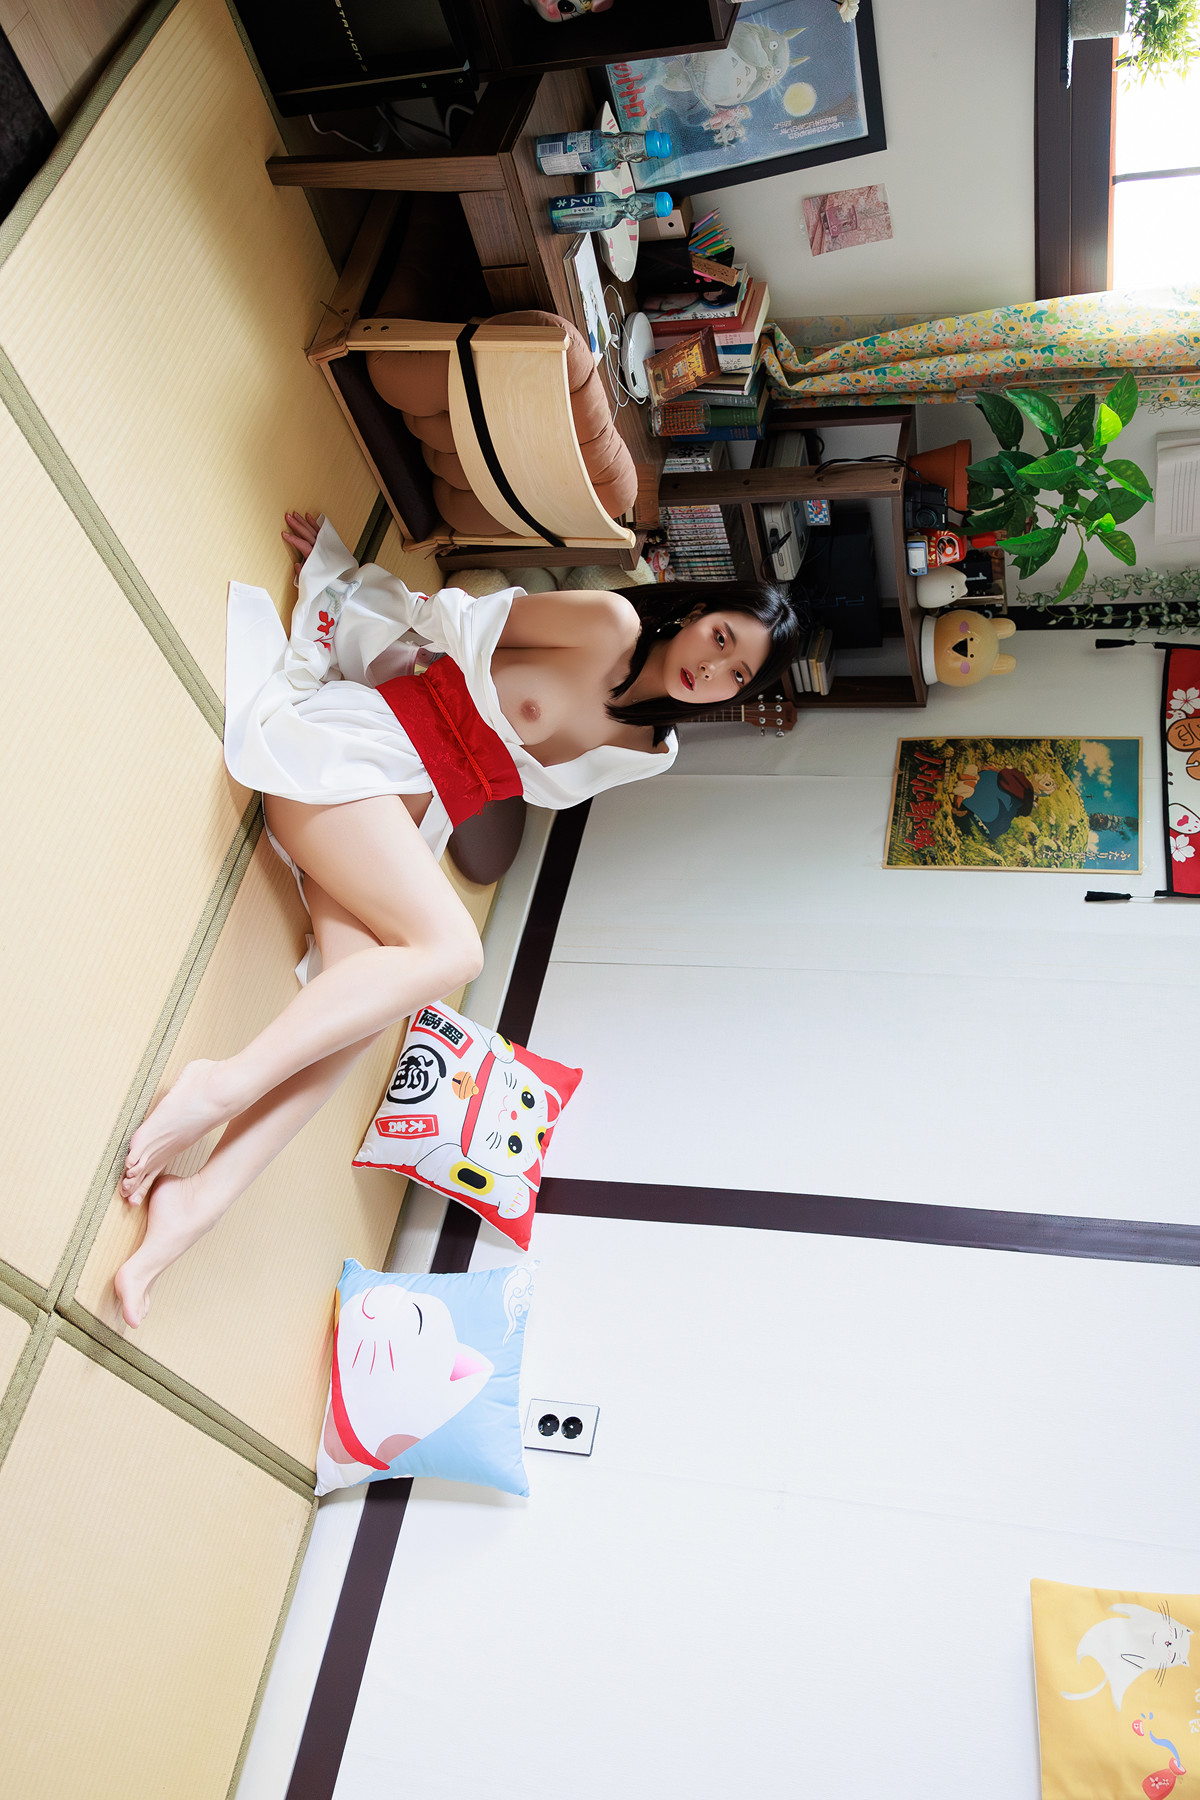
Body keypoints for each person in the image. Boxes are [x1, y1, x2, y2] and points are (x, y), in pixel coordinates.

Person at [113, 513, 800, 1325]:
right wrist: (350, 582)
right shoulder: (608, 622)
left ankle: (200, 1202)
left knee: (355, 1007)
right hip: (356, 750)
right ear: (694, 612)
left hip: (401, 821)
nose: (713, 668)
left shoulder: (654, 753)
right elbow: (458, 618)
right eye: (721, 638)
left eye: (737, 674)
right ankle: (218, 1086)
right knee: (453, 951)